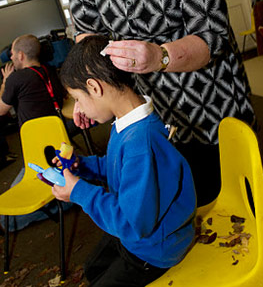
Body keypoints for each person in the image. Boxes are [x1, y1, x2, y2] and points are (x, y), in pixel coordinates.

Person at [61, 0, 256, 206]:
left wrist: (161, 57)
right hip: (149, 119)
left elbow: (214, 37)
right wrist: (86, 90)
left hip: (212, 105)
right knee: (173, 209)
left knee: (232, 208)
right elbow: (89, 40)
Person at [53, 34, 196, 287]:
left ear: (95, 87)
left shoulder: (141, 142)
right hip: (141, 228)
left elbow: (132, 224)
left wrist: (79, 192)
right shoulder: (128, 121)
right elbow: (118, 166)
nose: (80, 109)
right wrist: (83, 167)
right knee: (92, 267)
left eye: (78, 98)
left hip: (154, 249)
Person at [0, 34, 67, 232]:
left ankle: (68, 202)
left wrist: (6, 82)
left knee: (6, 217)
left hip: (38, 152)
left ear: (21, 55)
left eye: (12, 55)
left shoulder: (17, 78)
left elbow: (1, 110)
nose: (10, 59)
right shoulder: (49, 70)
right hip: (60, 143)